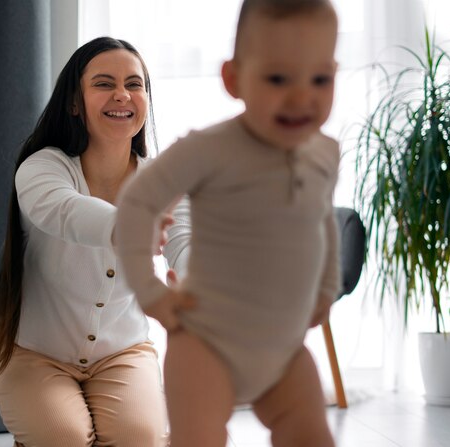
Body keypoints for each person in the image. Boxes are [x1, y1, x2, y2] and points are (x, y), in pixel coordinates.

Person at [114, 1, 341, 446]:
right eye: (278, 78)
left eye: (320, 79)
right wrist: (149, 291)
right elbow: (137, 202)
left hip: (284, 350)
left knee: (312, 436)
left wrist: (327, 289)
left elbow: (324, 224)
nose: (301, 96)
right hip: (205, 344)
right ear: (233, 79)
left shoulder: (324, 152)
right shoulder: (210, 149)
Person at [0, 37, 184, 447]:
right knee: (66, 437)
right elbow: (63, 211)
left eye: (134, 84)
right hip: (34, 353)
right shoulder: (43, 167)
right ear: (74, 103)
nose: (122, 95)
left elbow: (185, 239)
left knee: (140, 439)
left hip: (123, 352)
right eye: (103, 83)